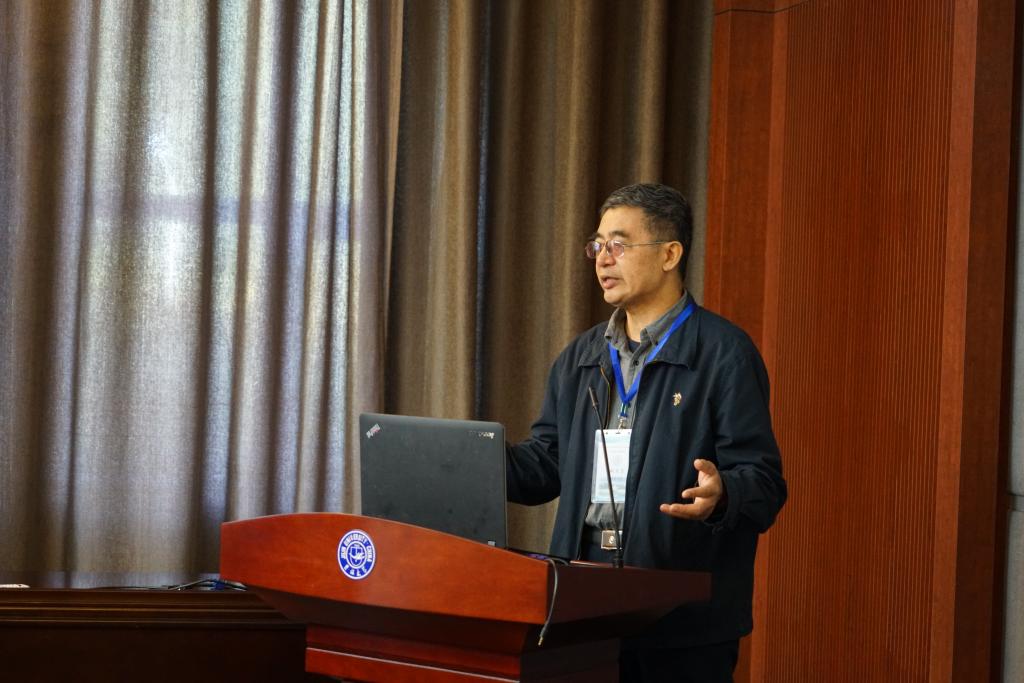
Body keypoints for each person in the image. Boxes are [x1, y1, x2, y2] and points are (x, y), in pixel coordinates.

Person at [506, 183, 787, 682]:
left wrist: (723, 494)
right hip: (584, 606)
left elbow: (763, 483)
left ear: (669, 254)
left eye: (618, 244)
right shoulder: (581, 357)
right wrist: (469, 462)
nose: (602, 258)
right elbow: (546, 465)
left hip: (680, 620)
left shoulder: (723, 354)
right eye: (597, 245)